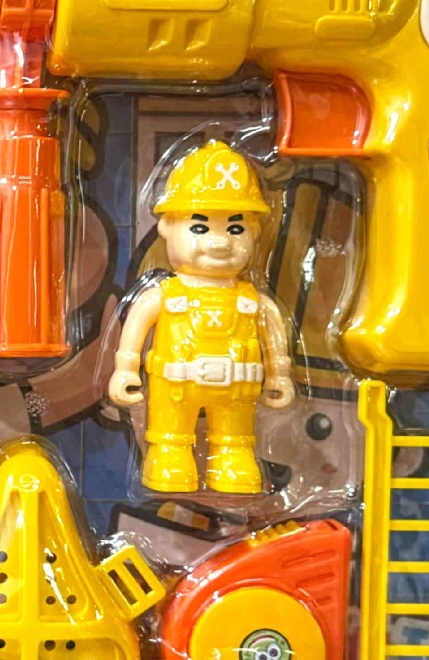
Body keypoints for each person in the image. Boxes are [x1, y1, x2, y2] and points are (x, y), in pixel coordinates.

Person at [106, 141, 295, 494]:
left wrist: (279, 375)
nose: (219, 243)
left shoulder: (253, 301)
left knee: (236, 439)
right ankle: (168, 456)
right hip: (175, 387)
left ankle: (234, 458)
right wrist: (126, 370)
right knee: (170, 436)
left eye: (235, 229)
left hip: (237, 390)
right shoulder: (164, 295)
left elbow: (274, 335)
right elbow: (135, 328)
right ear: (167, 226)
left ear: (255, 231)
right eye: (200, 227)